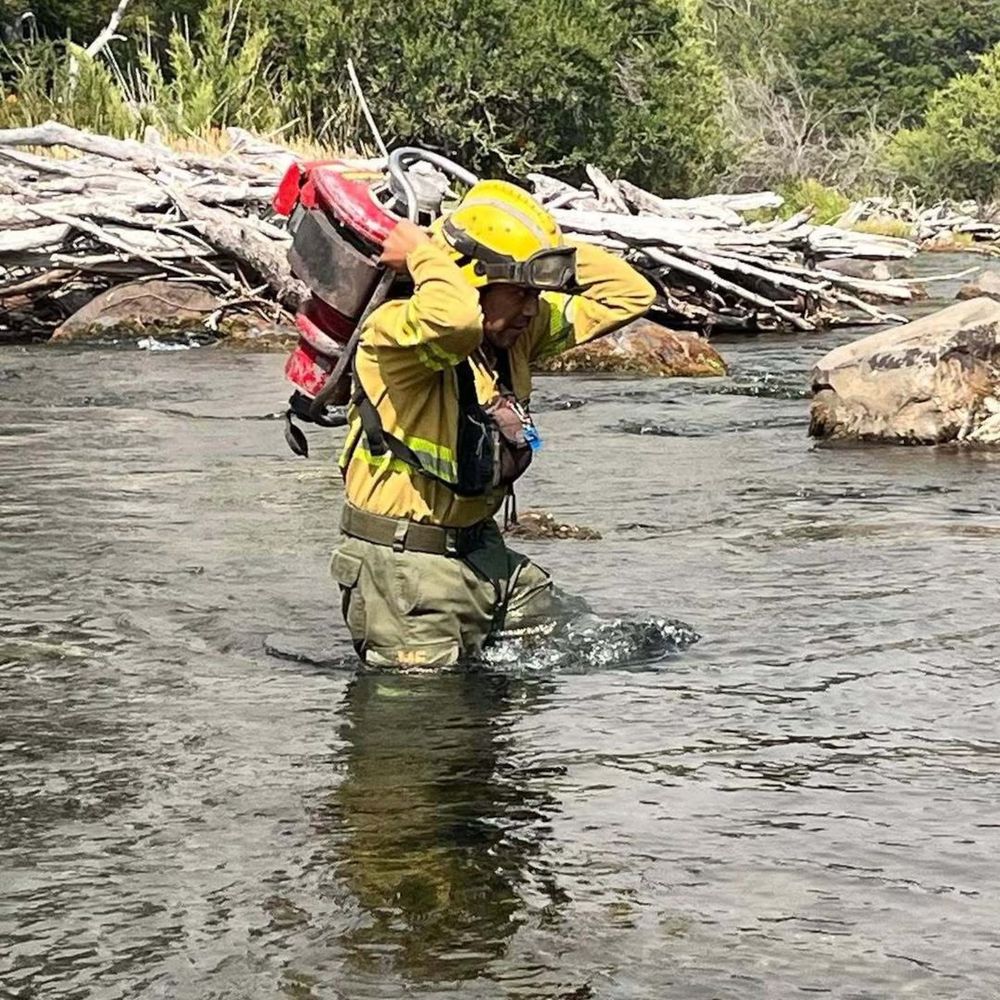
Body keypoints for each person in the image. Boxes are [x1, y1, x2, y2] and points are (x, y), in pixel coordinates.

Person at [331, 179, 654, 668]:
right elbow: (456, 321)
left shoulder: (514, 338)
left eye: (536, 292)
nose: (532, 308)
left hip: (480, 550)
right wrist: (426, 253)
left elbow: (630, 295)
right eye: (520, 292)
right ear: (474, 281)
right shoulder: (397, 333)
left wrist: (547, 252)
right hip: (405, 572)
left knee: (581, 641)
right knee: (423, 727)